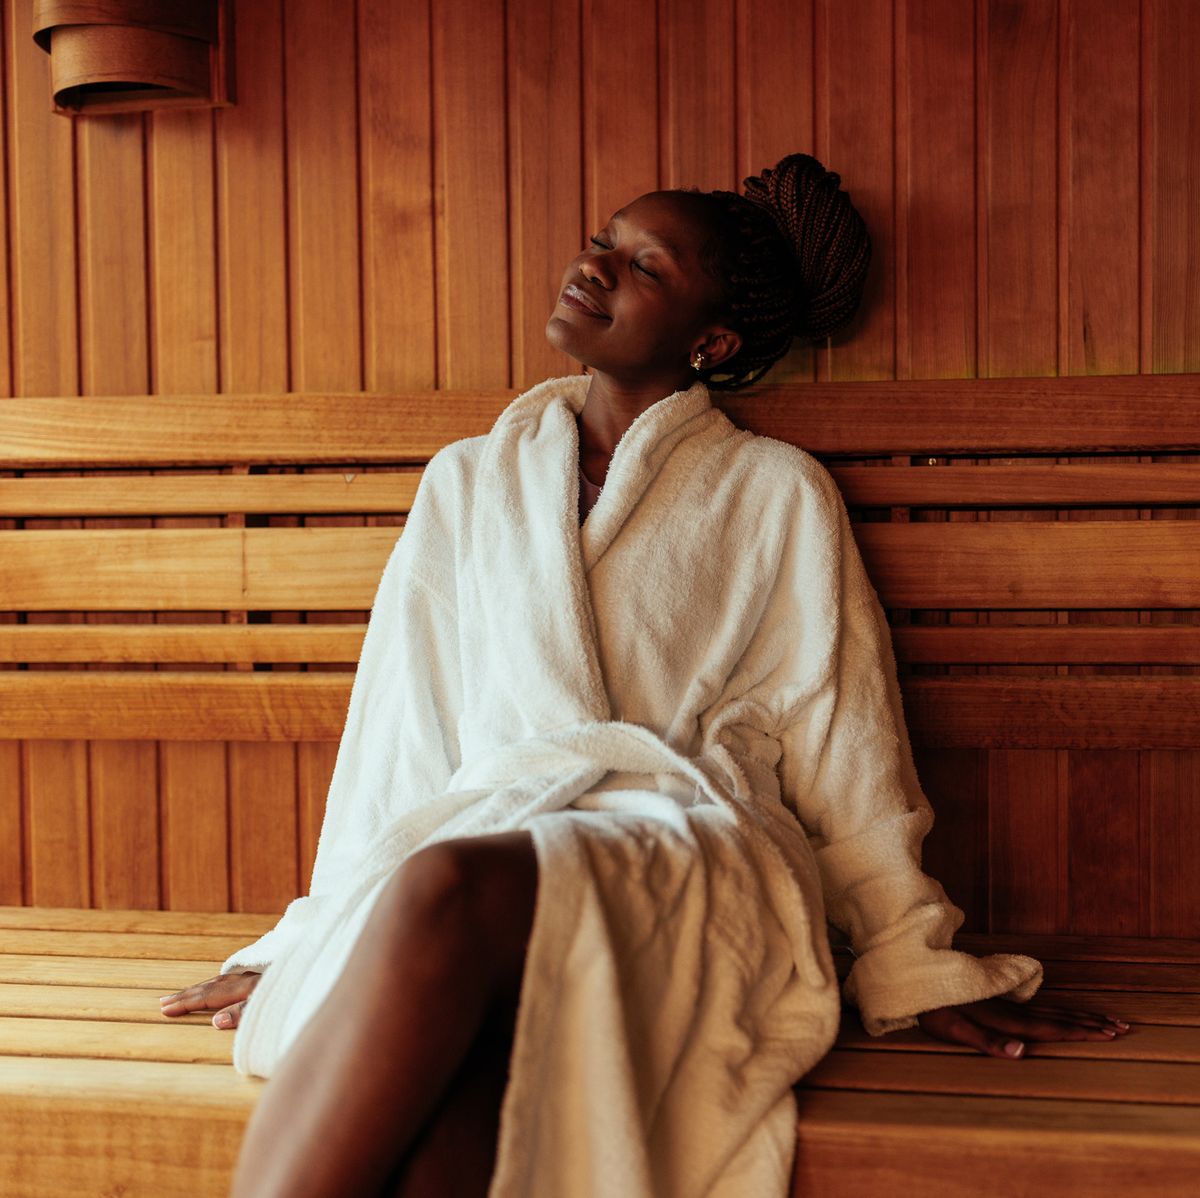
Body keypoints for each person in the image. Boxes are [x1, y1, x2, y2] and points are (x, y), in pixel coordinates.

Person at [160, 154, 1130, 1198]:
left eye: (644, 265)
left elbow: (842, 734)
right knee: (459, 1096)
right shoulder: (469, 482)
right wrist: (318, 930)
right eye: (602, 240)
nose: (596, 265)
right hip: (505, 841)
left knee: (443, 885)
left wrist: (907, 955)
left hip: (691, 847)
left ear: (712, 343)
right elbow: (402, 731)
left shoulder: (774, 493)